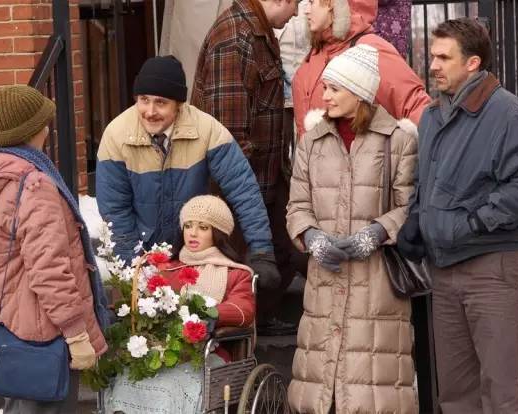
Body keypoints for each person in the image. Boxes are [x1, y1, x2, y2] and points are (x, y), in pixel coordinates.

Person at [397, 18, 518, 414]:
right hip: (443, 273)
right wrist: (416, 219)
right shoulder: (432, 116)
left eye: (443, 57)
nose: (432, 65)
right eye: (433, 56)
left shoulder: (505, 112)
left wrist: (476, 222)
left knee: (502, 394)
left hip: (492, 272)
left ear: (472, 63)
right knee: (455, 396)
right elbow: (426, 181)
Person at [0, 85, 108, 413]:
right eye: (43, 123)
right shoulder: (34, 187)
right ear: (30, 131)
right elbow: (49, 270)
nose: (47, 129)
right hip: (45, 338)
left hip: (12, 332)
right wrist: (76, 333)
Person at [286, 44, 419, 413]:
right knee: (319, 393)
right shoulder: (311, 141)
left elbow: (410, 206)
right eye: (324, 88)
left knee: (372, 391)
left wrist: (375, 234)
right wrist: (311, 237)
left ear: (359, 92)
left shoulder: (398, 140)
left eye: (334, 88)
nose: (325, 96)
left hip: (376, 286)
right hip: (323, 284)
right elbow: (297, 206)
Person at [96, 55, 281, 291]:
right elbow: (115, 211)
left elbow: (243, 190)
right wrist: (134, 270)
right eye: (144, 100)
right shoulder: (116, 135)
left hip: (196, 253)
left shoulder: (207, 130)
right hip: (142, 251)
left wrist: (262, 250)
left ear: (179, 104)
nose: (150, 111)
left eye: (160, 102)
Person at [191, 0, 300, 335]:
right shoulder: (234, 38)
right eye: (296, 4)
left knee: (286, 253)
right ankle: (241, 334)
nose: (297, 13)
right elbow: (229, 138)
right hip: (239, 193)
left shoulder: (257, 31)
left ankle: (259, 319)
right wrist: (248, 203)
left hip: (267, 179)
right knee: (238, 273)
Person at [105, 195, 255, 414]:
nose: (193, 233)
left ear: (218, 233)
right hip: (162, 350)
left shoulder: (235, 273)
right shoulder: (166, 268)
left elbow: (244, 310)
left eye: (203, 227)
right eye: (188, 225)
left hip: (209, 352)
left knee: (170, 387)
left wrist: (209, 314)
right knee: (127, 379)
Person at [292, 0, 430, 137]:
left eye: (312, 2)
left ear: (335, 4)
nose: (306, 10)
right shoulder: (316, 52)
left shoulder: (370, 49)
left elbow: (415, 106)